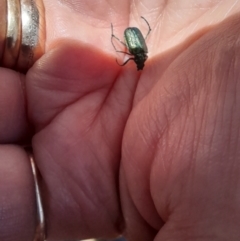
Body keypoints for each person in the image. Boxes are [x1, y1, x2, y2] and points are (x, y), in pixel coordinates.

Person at [1, 0, 240, 240]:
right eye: (140, 63)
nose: (139, 65)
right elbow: (135, 40)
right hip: (131, 35)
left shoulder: (139, 54)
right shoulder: (140, 52)